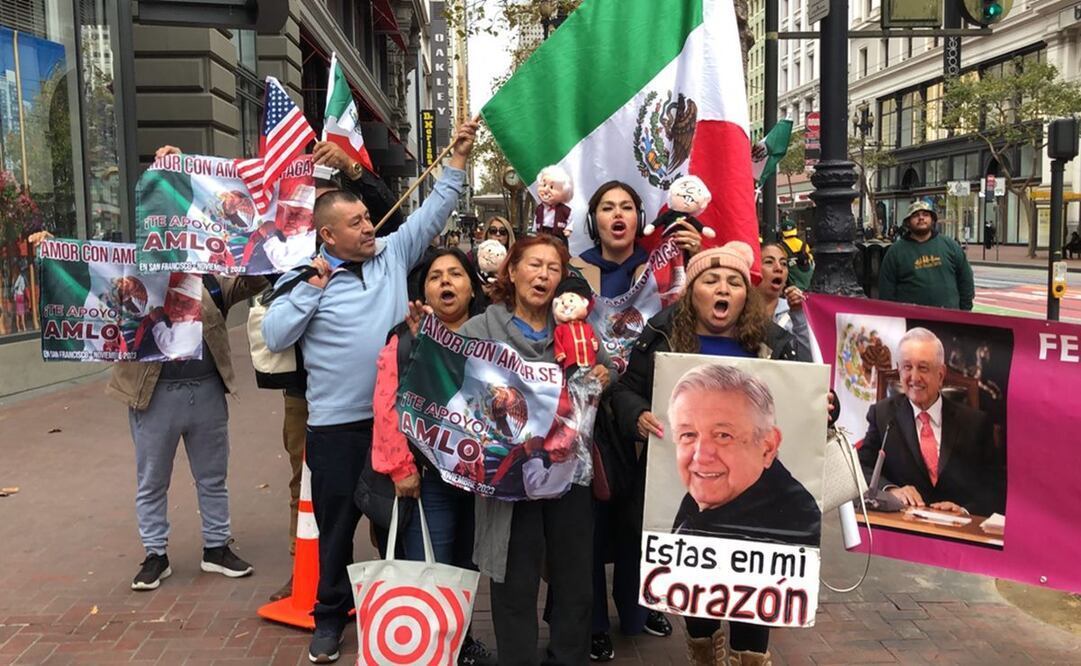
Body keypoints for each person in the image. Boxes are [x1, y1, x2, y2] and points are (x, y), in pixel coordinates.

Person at [262, 121, 477, 664]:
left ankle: (397, 613)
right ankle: (329, 617)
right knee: (336, 530)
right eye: (356, 222)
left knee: (397, 526)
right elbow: (276, 335)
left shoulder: (391, 254)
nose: (369, 226)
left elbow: (434, 211)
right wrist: (313, 289)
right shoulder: (302, 277)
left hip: (396, 426)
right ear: (328, 235)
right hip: (335, 429)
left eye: (366, 217)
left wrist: (456, 158)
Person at [608, 241, 799, 666]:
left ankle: (750, 657)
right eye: (711, 280)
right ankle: (704, 653)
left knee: (752, 589)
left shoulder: (774, 343)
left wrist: (825, 408)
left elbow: (803, 405)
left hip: (755, 495)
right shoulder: (661, 334)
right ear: (691, 292)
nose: (723, 289)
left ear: (746, 294)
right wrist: (637, 414)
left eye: (734, 282)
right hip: (689, 491)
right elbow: (624, 391)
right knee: (698, 587)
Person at [94, 145, 266, 592]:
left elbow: (258, 273)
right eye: (162, 218)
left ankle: (216, 547)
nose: (170, 225)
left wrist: (263, 228)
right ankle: (155, 554)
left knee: (213, 476)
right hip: (151, 396)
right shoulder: (129, 270)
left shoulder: (211, 273)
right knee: (152, 480)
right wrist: (48, 253)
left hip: (205, 389)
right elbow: (91, 291)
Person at [454, 233, 613, 665]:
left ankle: (568, 657)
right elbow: (451, 380)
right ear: (512, 271)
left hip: (569, 473)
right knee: (514, 583)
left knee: (575, 580)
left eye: (553, 268)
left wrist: (604, 375)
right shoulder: (482, 328)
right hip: (509, 479)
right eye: (534, 265)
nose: (543, 275)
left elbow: (605, 369)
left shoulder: (576, 327)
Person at [570, 180, 698, 660]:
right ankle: (593, 622)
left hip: (649, 406)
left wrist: (695, 257)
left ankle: (637, 606)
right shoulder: (574, 270)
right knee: (590, 523)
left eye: (626, 206)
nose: (617, 215)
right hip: (588, 414)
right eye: (607, 207)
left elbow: (694, 313)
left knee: (641, 517)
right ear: (594, 220)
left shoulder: (661, 268)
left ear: (640, 218)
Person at [371, 247, 494, 666]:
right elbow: (387, 406)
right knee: (431, 565)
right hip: (427, 480)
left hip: (479, 481)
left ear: (472, 287)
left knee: (466, 567)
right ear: (424, 290)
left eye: (456, 274)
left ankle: (461, 643)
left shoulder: (491, 338)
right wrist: (401, 468)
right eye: (436, 275)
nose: (445, 281)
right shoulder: (405, 340)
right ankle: (428, 649)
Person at [667, 364, 820, 545]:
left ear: (767, 447)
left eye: (723, 436)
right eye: (688, 435)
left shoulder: (794, 526)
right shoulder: (702, 500)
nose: (700, 456)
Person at [858, 327, 1003, 517]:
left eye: (923, 368)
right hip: (901, 523)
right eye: (907, 367)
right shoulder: (883, 415)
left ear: (941, 374)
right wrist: (891, 490)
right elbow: (862, 468)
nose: (914, 378)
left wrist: (965, 510)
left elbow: (995, 487)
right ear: (899, 370)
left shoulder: (975, 423)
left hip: (957, 528)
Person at [879, 201, 974, 311]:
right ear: (908, 222)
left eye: (925, 214)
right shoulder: (895, 251)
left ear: (932, 220)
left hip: (948, 317)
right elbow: (886, 289)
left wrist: (965, 310)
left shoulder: (950, 246)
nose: (921, 218)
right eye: (916, 215)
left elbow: (966, 279)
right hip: (911, 318)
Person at [758, 242, 813, 362]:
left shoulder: (795, 316)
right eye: (769, 262)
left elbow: (807, 362)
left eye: (783, 263)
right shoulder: (738, 311)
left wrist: (798, 313)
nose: (779, 268)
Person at [779, 218, 814, 290]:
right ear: (795, 230)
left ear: (782, 232)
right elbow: (811, 262)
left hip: (791, 287)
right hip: (807, 286)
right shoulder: (804, 245)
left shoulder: (781, 247)